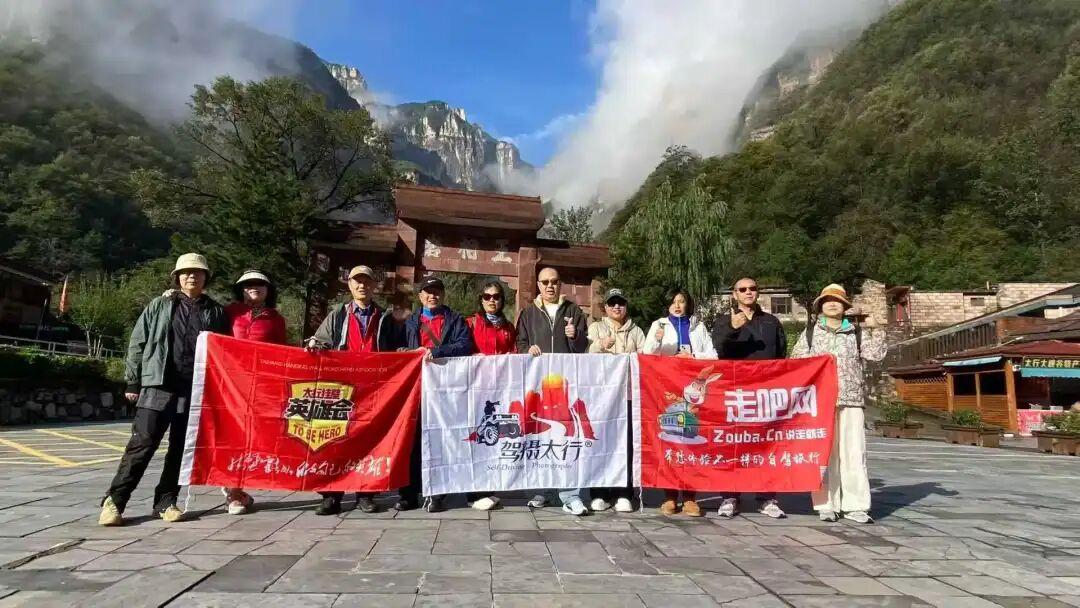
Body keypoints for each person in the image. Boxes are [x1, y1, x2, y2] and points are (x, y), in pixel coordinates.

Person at [98, 253, 229, 526]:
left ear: (206, 277)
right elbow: (138, 342)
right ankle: (115, 502)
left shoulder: (216, 311)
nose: (191, 276)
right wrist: (133, 380)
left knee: (181, 448)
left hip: (194, 389)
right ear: (177, 277)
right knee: (142, 444)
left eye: (197, 272)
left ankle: (166, 501)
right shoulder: (160, 304)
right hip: (158, 385)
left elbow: (225, 350)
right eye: (185, 272)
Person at [304, 265, 408, 516]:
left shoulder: (384, 317)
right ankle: (332, 495)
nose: (362, 286)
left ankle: (366, 493)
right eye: (357, 281)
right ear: (349, 285)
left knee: (369, 441)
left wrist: (407, 355)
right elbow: (322, 340)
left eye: (367, 282)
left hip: (374, 388)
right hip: (341, 388)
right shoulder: (338, 314)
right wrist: (315, 344)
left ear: (374, 286)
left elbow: (397, 347)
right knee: (335, 441)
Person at [792, 283, 886, 524]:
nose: (832, 304)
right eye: (827, 301)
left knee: (854, 453)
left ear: (845, 306)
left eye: (837, 301)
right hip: (820, 402)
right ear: (820, 306)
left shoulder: (855, 333)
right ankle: (826, 504)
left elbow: (876, 355)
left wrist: (876, 328)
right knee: (824, 454)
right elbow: (796, 361)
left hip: (851, 400)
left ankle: (856, 506)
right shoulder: (811, 333)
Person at [710, 277, 788, 519]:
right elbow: (717, 350)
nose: (748, 292)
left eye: (752, 288)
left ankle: (767, 497)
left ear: (758, 292)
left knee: (766, 444)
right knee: (733, 444)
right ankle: (730, 496)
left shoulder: (771, 322)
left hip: (764, 392)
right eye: (742, 289)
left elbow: (781, 355)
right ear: (734, 294)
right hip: (735, 392)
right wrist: (733, 328)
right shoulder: (724, 320)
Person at [515, 267, 590, 515]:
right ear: (538, 285)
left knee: (566, 437)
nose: (550, 286)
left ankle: (570, 495)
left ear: (560, 285)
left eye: (554, 282)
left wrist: (575, 335)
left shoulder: (573, 311)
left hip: (565, 385)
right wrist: (527, 349)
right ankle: (541, 491)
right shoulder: (528, 313)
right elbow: (520, 342)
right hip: (538, 386)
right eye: (545, 282)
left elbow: (582, 347)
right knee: (540, 437)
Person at [403, 276, 475, 512]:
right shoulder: (409, 321)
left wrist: (436, 351)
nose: (432, 296)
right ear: (420, 296)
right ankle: (409, 493)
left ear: (443, 295)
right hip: (414, 389)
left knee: (441, 439)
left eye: (436, 291)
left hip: (444, 389)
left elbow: (465, 345)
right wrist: (408, 352)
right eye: (427, 291)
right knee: (411, 440)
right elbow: (395, 347)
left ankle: (437, 493)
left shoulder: (455, 320)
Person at [643, 288, 717, 516]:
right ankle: (669, 496)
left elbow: (713, 355)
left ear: (688, 304)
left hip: (693, 391)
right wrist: (657, 342)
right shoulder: (659, 325)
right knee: (670, 440)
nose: (677, 306)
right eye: (673, 301)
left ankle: (691, 498)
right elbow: (647, 354)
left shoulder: (698, 326)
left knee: (692, 441)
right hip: (667, 389)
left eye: (682, 301)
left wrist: (692, 358)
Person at [221, 269, 288, 515]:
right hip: (230, 384)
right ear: (240, 289)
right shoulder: (228, 312)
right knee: (232, 437)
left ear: (268, 290)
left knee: (255, 438)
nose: (254, 287)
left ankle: (237, 486)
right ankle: (234, 491)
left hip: (262, 387)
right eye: (248, 284)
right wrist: (173, 295)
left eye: (260, 284)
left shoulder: (275, 318)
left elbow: (283, 353)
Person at [587, 288, 645, 513]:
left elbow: (645, 357)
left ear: (626, 306)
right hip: (602, 396)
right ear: (606, 308)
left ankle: (624, 492)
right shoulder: (596, 327)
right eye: (612, 303)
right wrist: (600, 345)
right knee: (600, 442)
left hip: (628, 395)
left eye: (620, 303)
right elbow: (585, 354)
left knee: (626, 444)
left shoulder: (636, 331)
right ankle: (599, 492)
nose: (616, 307)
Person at [464, 281, 517, 511]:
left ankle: (489, 488)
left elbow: (514, 352)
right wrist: (474, 357)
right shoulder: (470, 323)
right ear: (481, 300)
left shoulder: (508, 327)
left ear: (502, 300)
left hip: (499, 391)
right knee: (477, 437)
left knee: (495, 439)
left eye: (496, 296)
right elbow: (462, 350)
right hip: (475, 389)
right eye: (487, 296)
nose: (492, 300)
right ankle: (474, 493)